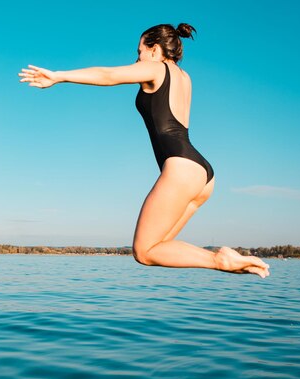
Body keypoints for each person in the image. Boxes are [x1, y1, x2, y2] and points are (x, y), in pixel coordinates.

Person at [19, 23, 270, 278]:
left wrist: (59, 76)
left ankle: (221, 259)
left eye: (140, 50)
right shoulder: (184, 77)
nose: (137, 57)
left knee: (143, 251)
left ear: (155, 49)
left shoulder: (155, 68)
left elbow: (108, 75)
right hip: (201, 173)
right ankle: (229, 263)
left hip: (180, 168)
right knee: (157, 249)